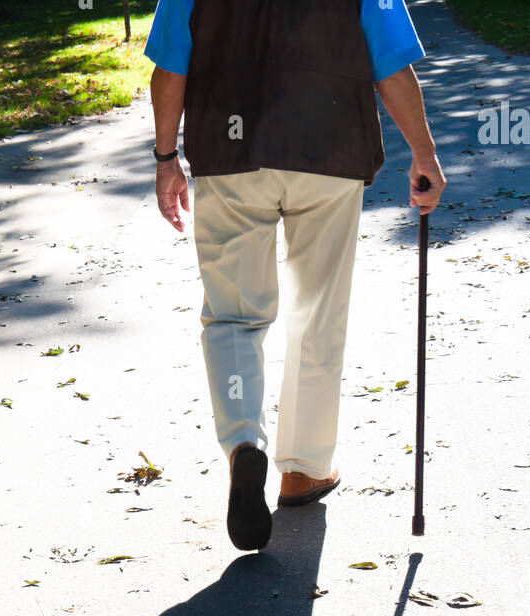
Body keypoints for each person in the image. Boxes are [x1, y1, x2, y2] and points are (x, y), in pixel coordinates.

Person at [145, 0, 445, 551]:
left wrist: (167, 158)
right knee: (316, 314)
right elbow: (391, 64)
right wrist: (422, 151)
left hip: (230, 155)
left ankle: (243, 446)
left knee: (235, 316)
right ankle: (302, 470)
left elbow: (170, 67)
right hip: (329, 154)